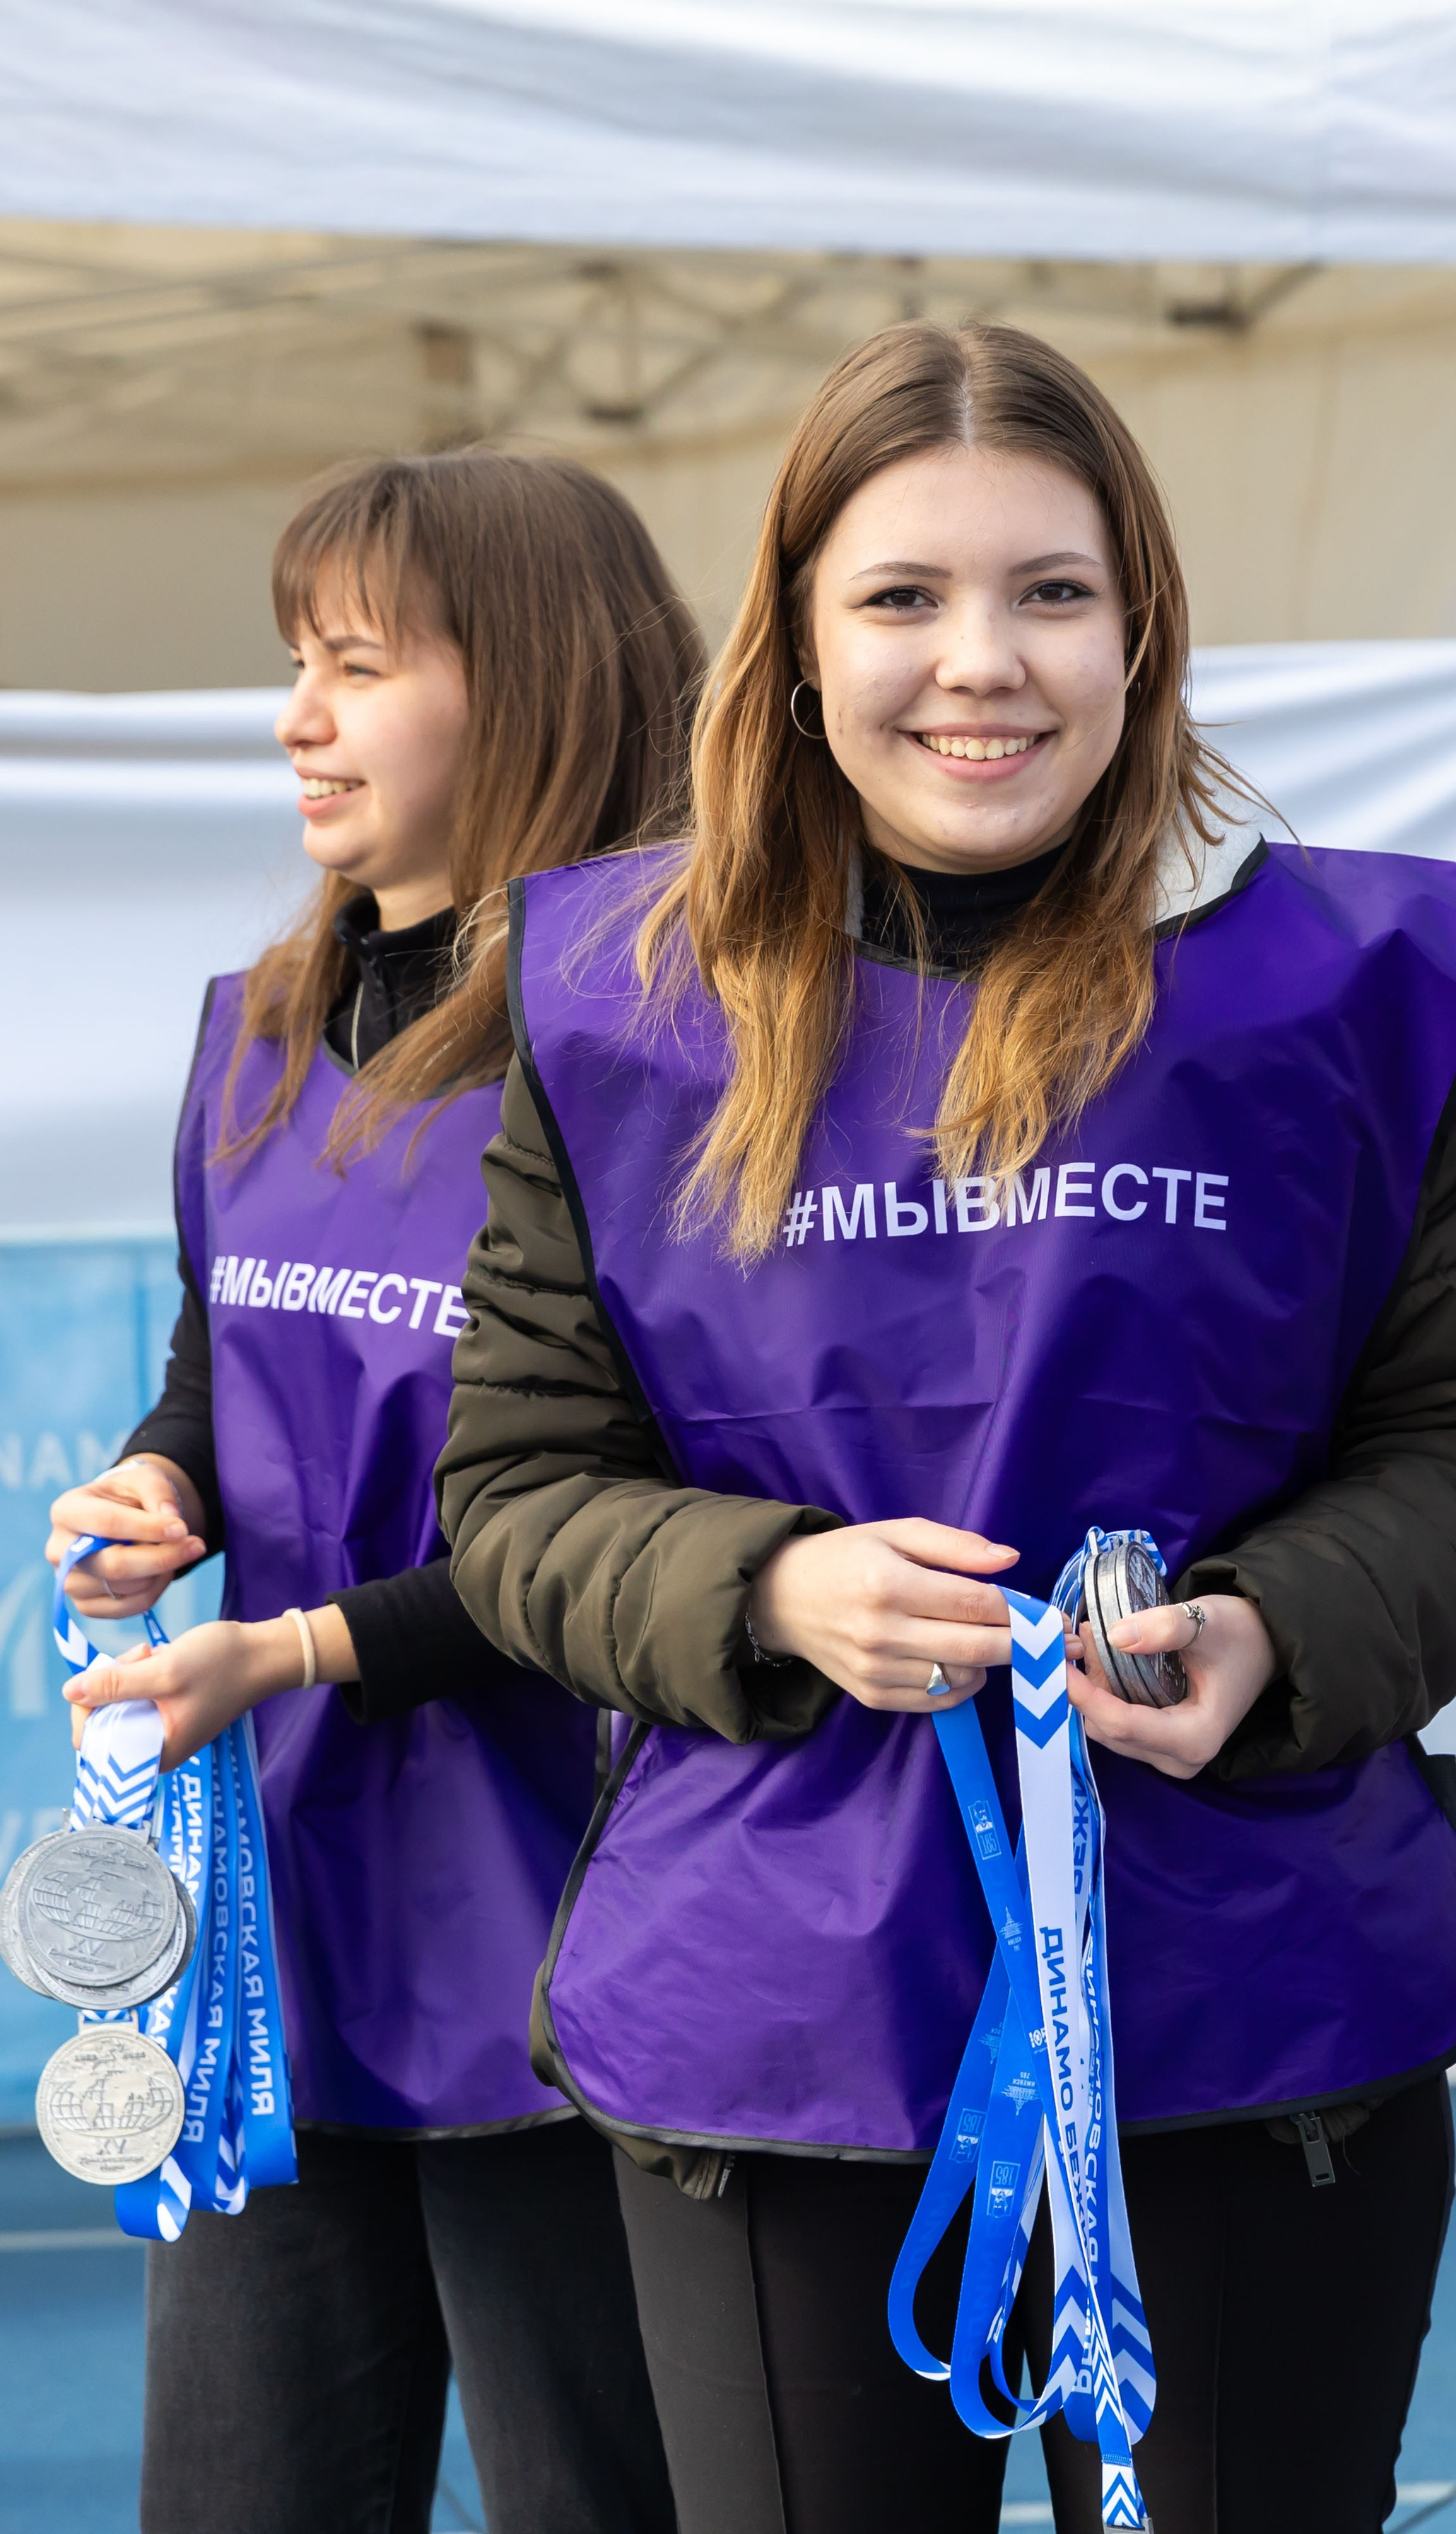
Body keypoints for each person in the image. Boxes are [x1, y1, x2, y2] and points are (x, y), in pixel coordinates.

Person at [436, 324, 1456, 2534]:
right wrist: (771, 1587)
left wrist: (1276, 1628)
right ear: (794, 645)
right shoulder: (619, 1009)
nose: (984, 663)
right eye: (904, 597)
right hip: (774, 2021)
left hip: (1250, 2003)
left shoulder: (1351, 991)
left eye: (1053, 591)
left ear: (1140, 629)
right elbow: (513, 1490)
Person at [47, 450, 700, 2534]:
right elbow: (221, 1361)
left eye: (356, 665)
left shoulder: (664, 1058)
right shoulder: (255, 1033)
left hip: (576, 1946)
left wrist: (309, 1646)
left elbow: (633, 1525)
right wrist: (159, 1481)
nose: (297, 720)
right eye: (294, 663)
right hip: (282, 1944)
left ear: (532, 686)